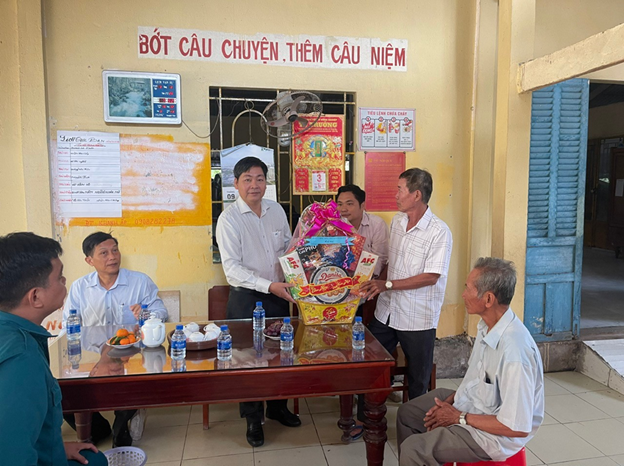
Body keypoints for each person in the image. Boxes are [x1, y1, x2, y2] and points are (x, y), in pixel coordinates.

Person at [396, 257, 544, 466]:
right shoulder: (487, 327)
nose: (463, 294)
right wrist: (451, 402)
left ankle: (419, 457)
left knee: (415, 449)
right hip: (474, 406)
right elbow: (476, 380)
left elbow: (517, 427)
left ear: (488, 299)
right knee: (408, 414)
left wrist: (458, 417)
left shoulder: (515, 352)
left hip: (492, 437)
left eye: (468, 288)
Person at [0, 232, 108, 466]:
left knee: (93, 457)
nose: (65, 281)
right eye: (59, 278)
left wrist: (55, 447)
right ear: (36, 297)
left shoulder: (14, 332)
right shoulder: (20, 359)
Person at [215, 156, 300, 447]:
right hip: (247, 298)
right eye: (248, 179)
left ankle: (277, 407)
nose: (254, 185)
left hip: (279, 296)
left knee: (281, 355)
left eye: (260, 179)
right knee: (247, 361)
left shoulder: (276, 210)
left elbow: (288, 248)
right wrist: (269, 285)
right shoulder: (229, 219)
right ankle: (253, 419)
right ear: (236, 183)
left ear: (267, 182)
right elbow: (232, 269)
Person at [62, 231, 168, 447]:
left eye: (115, 250)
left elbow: (161, 311)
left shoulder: (139, 281)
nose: (112, 257)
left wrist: (147, 314)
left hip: (132, 353)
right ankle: (99, 428)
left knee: (131, 379)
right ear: (89, 260)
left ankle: (122, 423)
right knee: (64, 392)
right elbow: (68, 324)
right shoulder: (80, 288)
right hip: (93, 353)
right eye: (104, 253)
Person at [360, 168, 453, 400]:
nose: (396, 195)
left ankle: (413, 422)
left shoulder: (439, 232)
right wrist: (378, 283)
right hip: (387, 311)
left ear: (417, 195)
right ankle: (366, 415)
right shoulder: (398, 221)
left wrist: (387, 285)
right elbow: (392, 261)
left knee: (417, 380)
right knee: (368, 361)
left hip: (417, 317)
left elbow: (431, 276)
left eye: (400, 190)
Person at [336, 184, 389, 279]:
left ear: (362, 205)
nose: (343, 209)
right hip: (338, 279)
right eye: (340, 204)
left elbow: (379, 264)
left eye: (349, 204)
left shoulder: (377, 224)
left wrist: (355, 239)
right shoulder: (333, 225)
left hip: (368, 280)